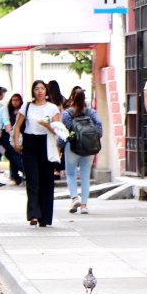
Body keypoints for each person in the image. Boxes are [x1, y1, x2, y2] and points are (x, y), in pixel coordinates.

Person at [13, 80, 61, 227]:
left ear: (46, 91)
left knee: (46, 181)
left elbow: (58, 130)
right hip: (30, 143)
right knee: (32, 180)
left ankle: (45, 217)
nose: (39, 91)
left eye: (42, 88)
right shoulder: (27, 106)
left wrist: (48, 125)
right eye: (36, 89)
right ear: (33, 91)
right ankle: (33, 214)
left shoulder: (52, 108)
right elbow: (17, 126)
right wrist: (16, 142)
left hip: (46, 143)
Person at [62, 87, 103, 215]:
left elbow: (64, 132)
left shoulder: (67, 114)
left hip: (72, 147)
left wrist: (59, 146)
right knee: (85, 175)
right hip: (89, 148)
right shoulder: (91, 112)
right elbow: (99, 127)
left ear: (72, 98)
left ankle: (74, 198)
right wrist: (94, 138)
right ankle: (84, 205)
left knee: (71, 174)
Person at [4, 93, 25, 185]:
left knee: (17, 155)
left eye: (17, 100)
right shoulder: (8, 112)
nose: (15, 102)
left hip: (20, 136)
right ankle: (14, 175)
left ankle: (18, 174)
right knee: (11, 155)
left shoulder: (23, 111)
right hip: (9, 136)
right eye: (13, 100)